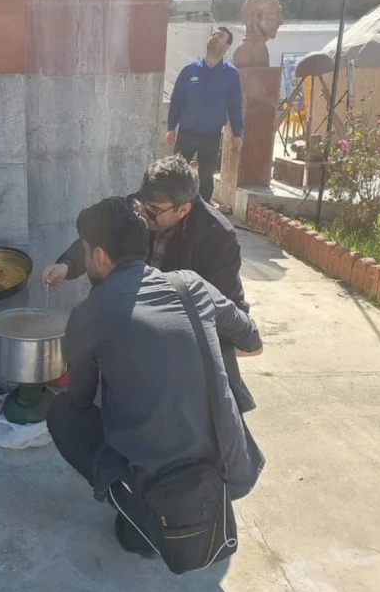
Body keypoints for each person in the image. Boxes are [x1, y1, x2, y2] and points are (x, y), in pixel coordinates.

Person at [46, 197, 265, 560]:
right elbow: (252, 340)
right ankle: (203, 498)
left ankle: (139, 510)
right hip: (229, 467)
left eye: (84, 251)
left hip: (160, 486)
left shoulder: (90, 313)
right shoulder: (191, 285)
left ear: (99, 256)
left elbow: (81, 398)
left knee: (63, 414)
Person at [42, 155, 255, 413]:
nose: (144, 212)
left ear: (183, 209)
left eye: (153, 210)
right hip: (135, 314)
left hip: (179, 332)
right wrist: (67, 265)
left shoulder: (217, 237)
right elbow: (100, 236)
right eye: (143, 202)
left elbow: (227, 311)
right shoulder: (142, 206)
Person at [165, 26, 243, 204]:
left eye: (220, 36)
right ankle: (175, 207)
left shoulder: (230, 74)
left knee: (206, 177)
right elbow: (177, 100)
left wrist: (237, 133)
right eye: (214, 34)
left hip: (211, 136)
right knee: (177, 173)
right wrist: (171, 127)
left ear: (227, 46)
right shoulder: (189, 70)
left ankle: (202, 209)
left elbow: (235, 105)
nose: (215, 37)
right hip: (187, 133)